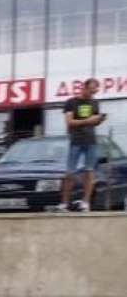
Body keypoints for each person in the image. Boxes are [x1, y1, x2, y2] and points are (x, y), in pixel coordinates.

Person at [56, 78, 106, 213]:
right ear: (84, 88)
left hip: (91, 141)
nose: (93, 93)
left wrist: (99, 120)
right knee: (69, 173)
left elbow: (93, 122)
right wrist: (87, 120)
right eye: (91, 90)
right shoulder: (71, 102)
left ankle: (85, 203)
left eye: (95, 91)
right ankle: (64, 203)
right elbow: (70, 122)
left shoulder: (95, 102)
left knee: (90, 172)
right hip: (76, 141)